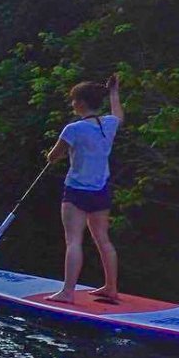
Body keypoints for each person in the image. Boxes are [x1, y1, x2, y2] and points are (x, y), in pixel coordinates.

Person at [45, 74, 124, 304]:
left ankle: (67, 292)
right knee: (103, 239)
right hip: (101, 191)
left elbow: (54, 156)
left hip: (77, 192)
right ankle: (111, 287)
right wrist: (114, 92)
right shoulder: (108, 124)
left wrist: (51, 156)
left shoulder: (73, 129)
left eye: (73, 100)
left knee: (73, 241)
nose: (72, 104)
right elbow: (119, 114)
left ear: (80, 103)